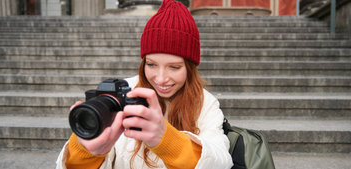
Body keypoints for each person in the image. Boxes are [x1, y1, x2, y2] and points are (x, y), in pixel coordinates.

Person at [55, 0, 233, 168]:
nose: (161, 78)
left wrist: (166, 140)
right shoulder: (123, 92)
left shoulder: (205, 103)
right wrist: (85, 151)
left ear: (190, 68)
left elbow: (221, 161)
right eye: (151, 64)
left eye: (174, 67)